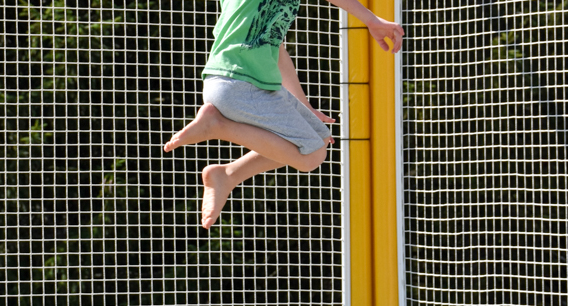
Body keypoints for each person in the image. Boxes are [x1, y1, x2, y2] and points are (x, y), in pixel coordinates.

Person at [164, 0, 404, 229]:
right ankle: (217, 126)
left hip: (248, 84)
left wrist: (304, 106)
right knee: (311, 157)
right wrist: (371, 19)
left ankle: (227, 174)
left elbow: (276, 48)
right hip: (238, 85)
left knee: (318, 139)